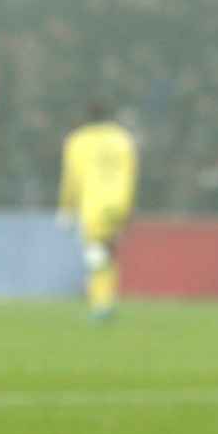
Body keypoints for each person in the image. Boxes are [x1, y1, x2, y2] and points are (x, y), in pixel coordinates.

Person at [58, 103, 139, 321]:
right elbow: (132, 173)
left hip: (94, 205)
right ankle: (106, 301)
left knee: (96, 254)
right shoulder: (123, 139)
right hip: (120, 202)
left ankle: (102, 305)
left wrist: (66, 209)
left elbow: (71, 180)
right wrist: (130, 204)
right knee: (108, 252)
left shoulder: (78, 141)